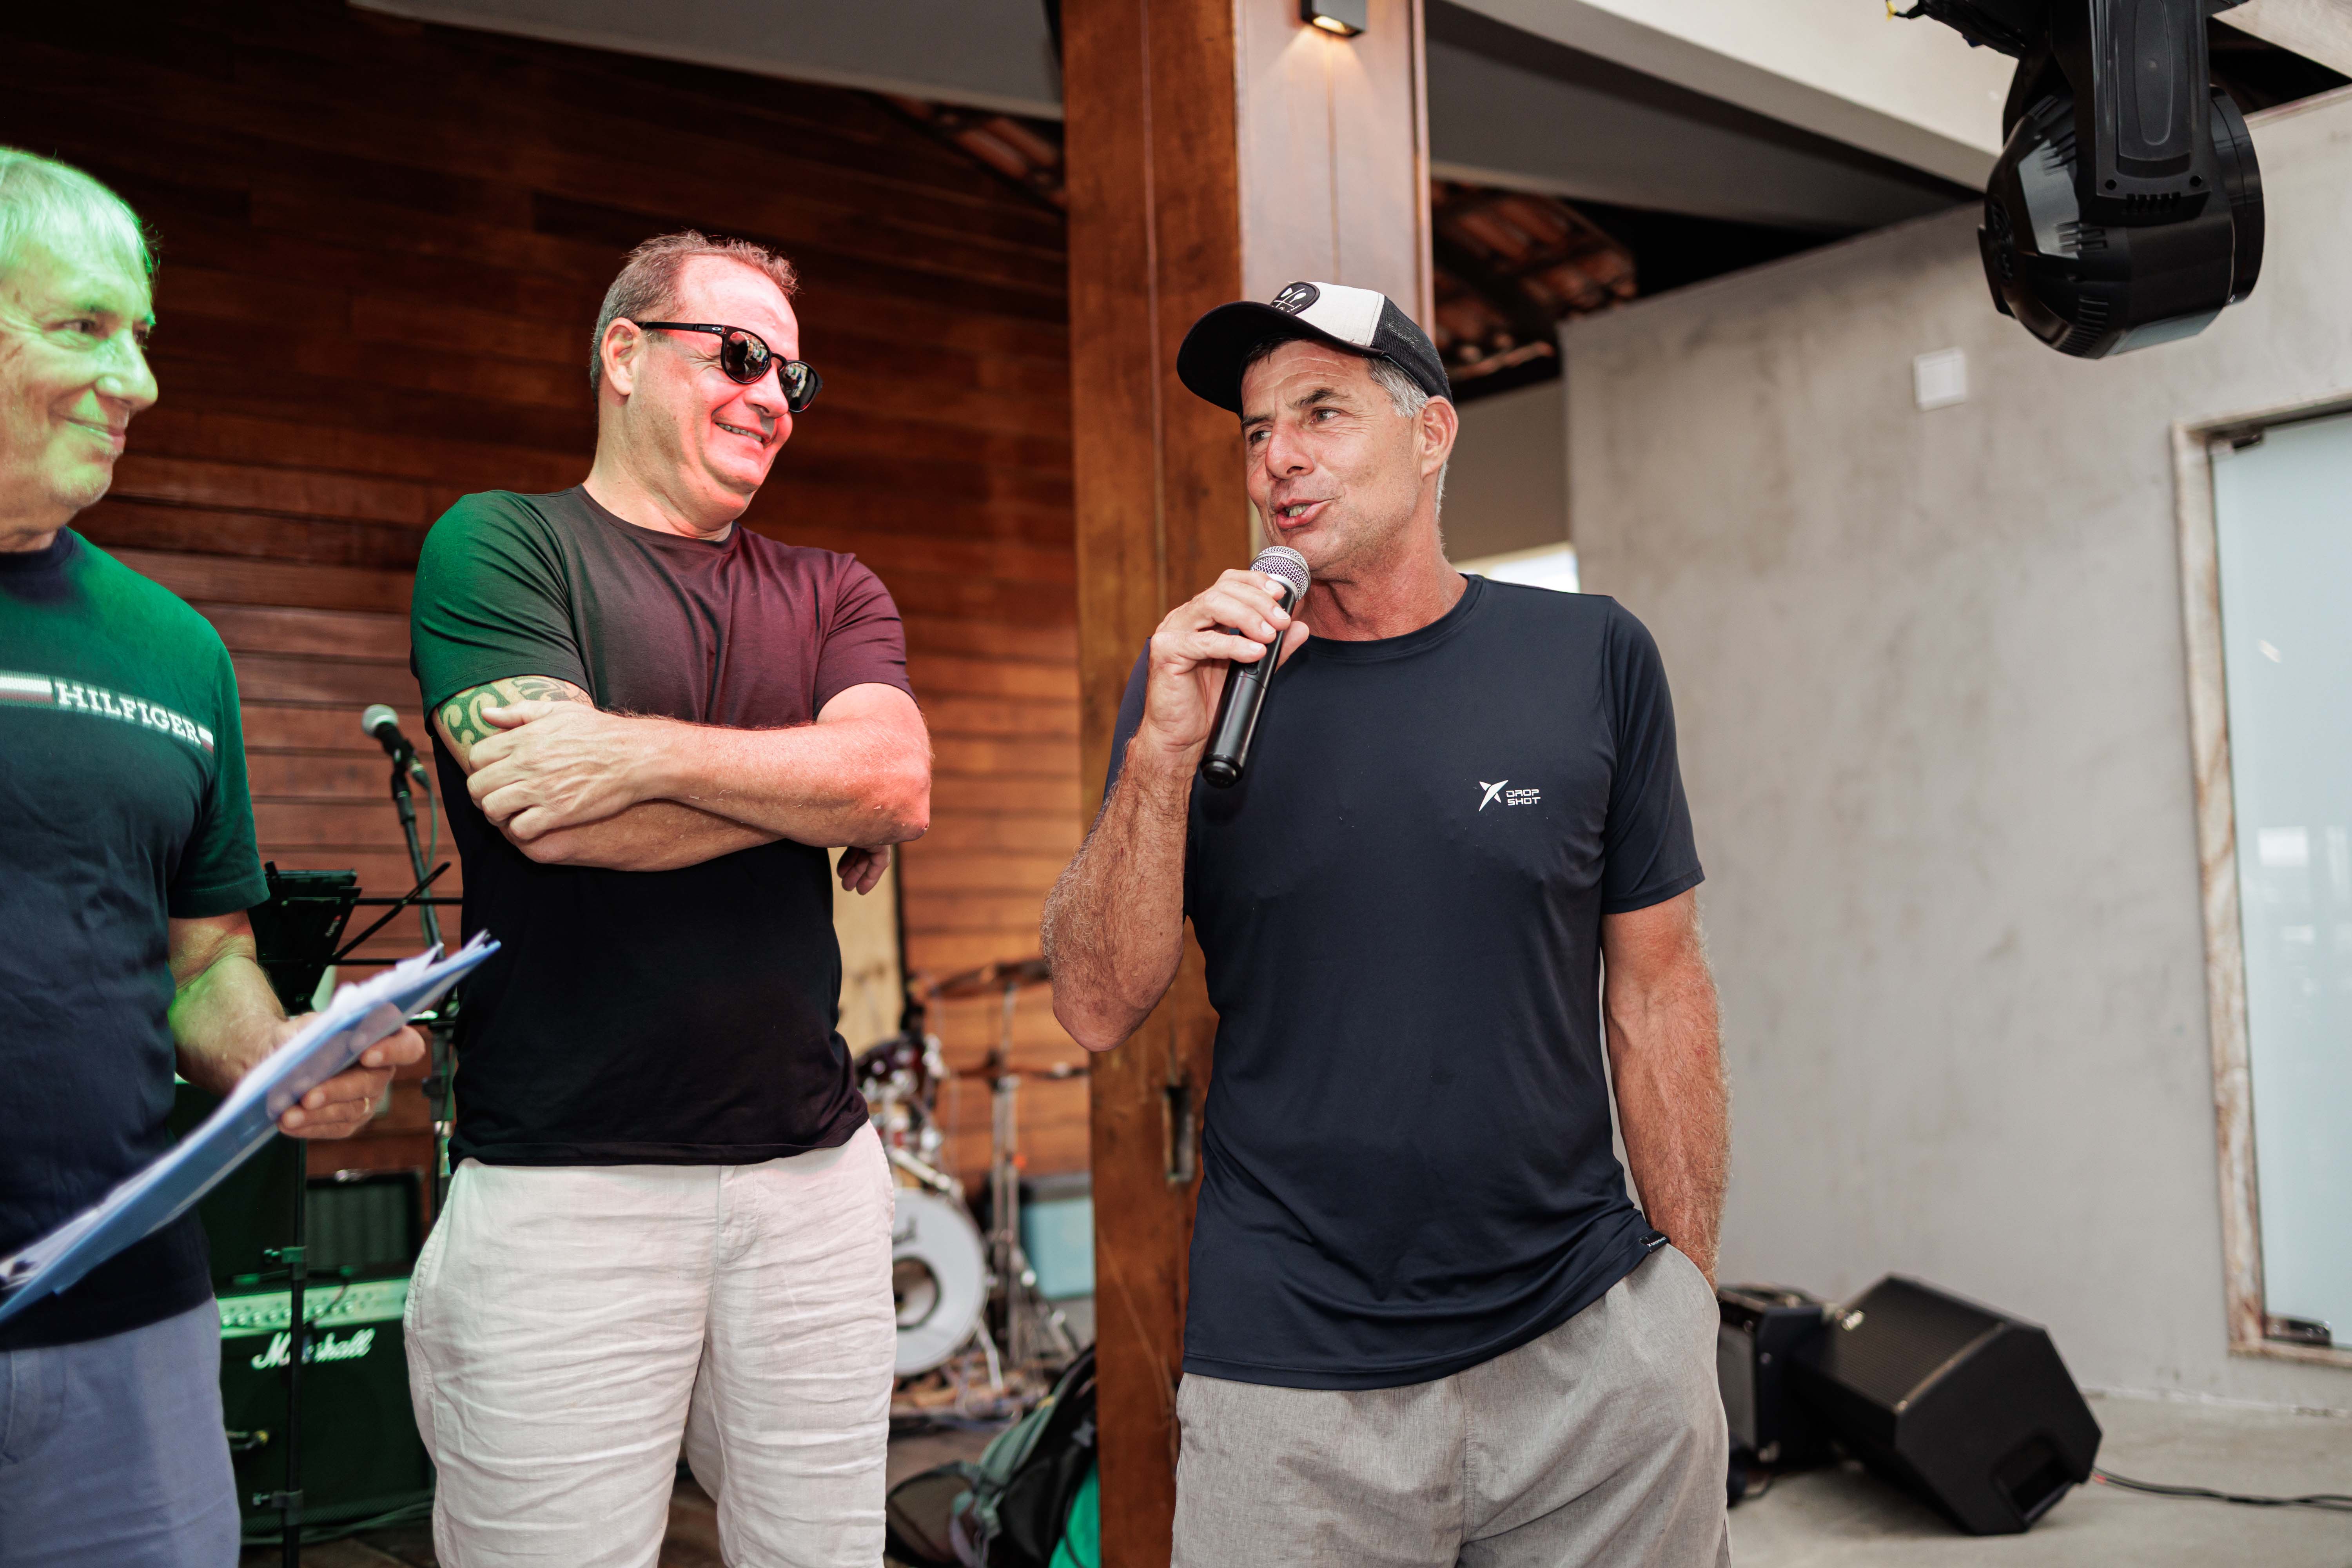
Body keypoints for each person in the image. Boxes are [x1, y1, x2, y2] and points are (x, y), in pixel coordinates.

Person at [1043, 280, 1733, 1567]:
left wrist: (1684, 1307)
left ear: (1433, 434)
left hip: (1589, 1354)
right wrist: (1161, 754)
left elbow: (1657, 988)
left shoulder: (1591, 657)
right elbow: (1093, 1004)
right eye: (1256, 430)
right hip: (1291, 1381)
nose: (1278, 458)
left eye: (1322, 412)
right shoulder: (1200, 683)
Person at [404, 230, 931, 1568]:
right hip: (566, 1191)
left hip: (812, 1187)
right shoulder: (502, 543)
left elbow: (891, 781)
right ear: (625, 355)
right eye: (740, 355)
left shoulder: (834, 588)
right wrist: (801, 799)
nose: (771, 397)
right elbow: (552, 812)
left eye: (792, 377)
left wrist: (628, 751)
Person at [0, 149, 426, 1568]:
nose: (136, 382)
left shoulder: (176, 652)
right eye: (83, 327)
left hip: (135, 1334)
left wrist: (283, 1057)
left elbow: (201, 967)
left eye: (141, 334)